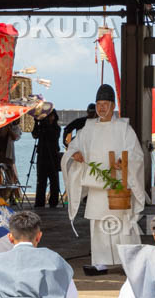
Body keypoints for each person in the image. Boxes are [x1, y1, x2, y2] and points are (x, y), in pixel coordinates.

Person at [61, 84, 145, 275]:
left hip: (117, 184)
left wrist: (124, 161)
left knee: (123, 225)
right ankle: (101, 262)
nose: (101, 108)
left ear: (113, 106)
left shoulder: (123, 128)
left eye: (105, 104)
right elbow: (74, 146)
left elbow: (136, 155)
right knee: (98, 226)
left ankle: (130, 261)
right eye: (99, 104)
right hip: (96, 185)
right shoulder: (88, 128)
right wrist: (75, 154)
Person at [32, 108, 61, 208]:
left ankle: (53, 201)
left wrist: (43, 124)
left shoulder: (56, 128)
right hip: (42, 156)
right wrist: (36, 123)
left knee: (54, 181)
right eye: (48, 116)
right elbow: (35, 135)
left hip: (53, 156)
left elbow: (52, 136)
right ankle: (40, 202)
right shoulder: (42, 127)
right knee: (41, 181)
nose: (50, 118)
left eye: (51, 116)